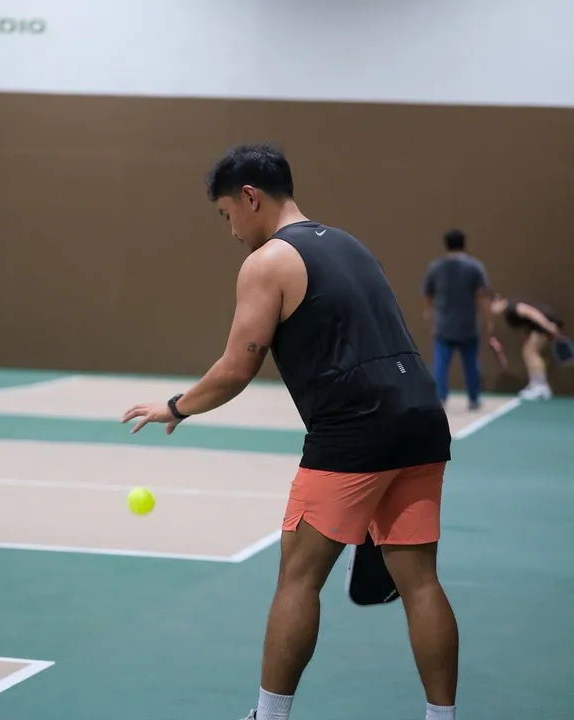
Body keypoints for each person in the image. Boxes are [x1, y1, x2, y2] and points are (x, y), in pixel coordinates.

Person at [122, 143, 459, 720]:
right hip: (423, 418)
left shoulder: (268, 262)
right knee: (421, 582)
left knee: (298, 578)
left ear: (250, 197)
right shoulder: (349, 244)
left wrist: (176, 406)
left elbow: (237, 368)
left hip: (353, 431)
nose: (232, 231)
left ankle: (269, 716)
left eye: (227, 214)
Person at [421, 228, 493, 410]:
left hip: (443, 324)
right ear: (464, 243)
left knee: (440, 364)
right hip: (467, 324)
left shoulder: (435, 267)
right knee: (471, 363)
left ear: (446, 244)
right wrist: (488, 319)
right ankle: (474, 398)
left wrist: (429, 313)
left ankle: (439, 397)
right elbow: (482, 295)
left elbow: (428, 294)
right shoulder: (474, 267)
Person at [490, 293, 564, 400]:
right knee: (528, 351)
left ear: (496, 301)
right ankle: (536, 384)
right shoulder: (508, 314)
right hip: (539, 326)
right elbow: (526, 325)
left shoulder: (512, 307)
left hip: (546, 323)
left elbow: (532, 313)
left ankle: (541, 387)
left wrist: (549, 326)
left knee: (530, 352)